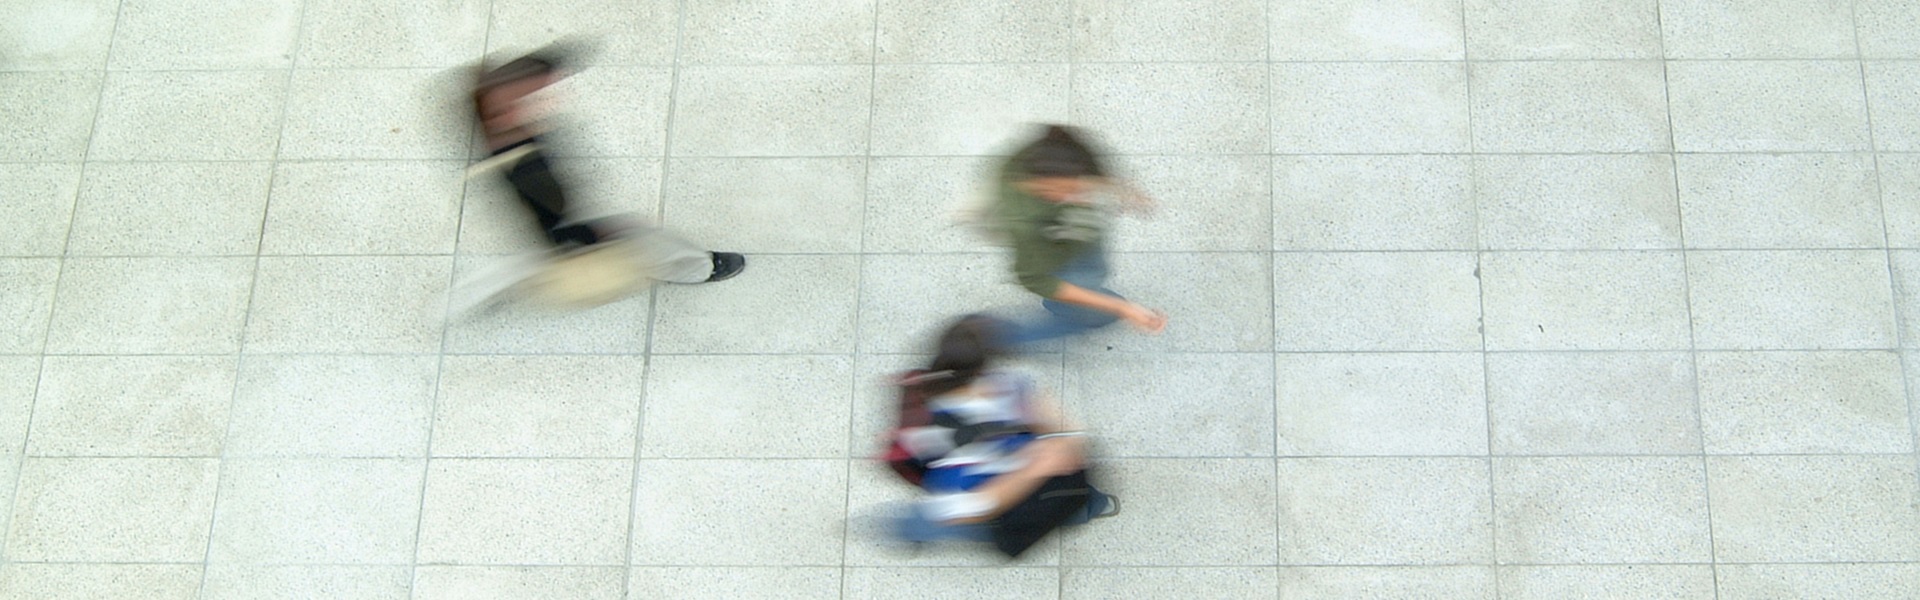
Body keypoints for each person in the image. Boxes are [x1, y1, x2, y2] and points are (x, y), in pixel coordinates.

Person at [454, 46, 743, 312]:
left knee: (531, 266)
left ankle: (464, 302)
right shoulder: (528, 170)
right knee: (647, 240)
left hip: (550, 225)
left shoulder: (500, 135)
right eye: (526, 99)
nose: (542, 101)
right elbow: (554, 215)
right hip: (567, 229)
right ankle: (702, 267)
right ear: (498, 112)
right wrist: (594, 236)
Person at [887, 316, 1117, 554]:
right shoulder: (1004, 390)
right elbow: (975, 505)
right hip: (991, 494)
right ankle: (910, 528)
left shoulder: (933, 392)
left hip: (975, 480)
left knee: (931, 520)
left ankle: (910, 528)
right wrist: (1039, 465)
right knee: (958, 524)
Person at [984, 125, 1166, 347]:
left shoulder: (1052, 151)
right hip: (1058, 258)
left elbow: (1092, 169)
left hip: (1076, 238)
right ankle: (999, 339)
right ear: (1039, 184)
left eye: (1076, 188)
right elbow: (1035, 279)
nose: (1074, 197)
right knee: (1096, 314)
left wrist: (1124, 191)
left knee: (1094, 275)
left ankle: (1065, 303)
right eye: (1059, 192)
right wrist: (1122, 309)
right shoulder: (1024, 223)